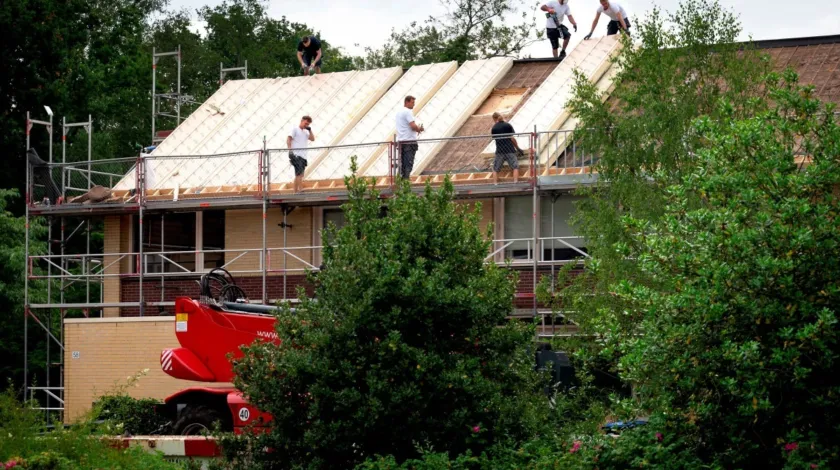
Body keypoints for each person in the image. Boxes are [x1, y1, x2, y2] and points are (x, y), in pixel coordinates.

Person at [490, 112, 526, 185]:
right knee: (515, 167)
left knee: (495, 168)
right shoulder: (508, 125)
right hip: (510, 150)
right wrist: (518, 148)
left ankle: (495, 183)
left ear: (494, 119)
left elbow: (495, 139)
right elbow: (512, 138)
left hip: (500, 151)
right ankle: (515, 182)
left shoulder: (494, 128)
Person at [395, 95, 424, 179]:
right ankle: (405, 181)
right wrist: (419, 129)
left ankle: (401, 180)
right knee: (408, 163)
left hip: (401, 141)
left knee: (402, 164)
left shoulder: (399, 112)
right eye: (412, 103)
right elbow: (413, 126)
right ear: (407, 102)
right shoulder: (408, 112)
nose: (413, 105)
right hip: (409, 141)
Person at [287, 116, 315, 193]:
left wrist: (310, 130)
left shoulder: (306, 132)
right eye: (305, 123)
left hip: (303, 155)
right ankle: (300, 189)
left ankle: (295, 191)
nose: (306, 125)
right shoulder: (295, 129)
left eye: (308, 124)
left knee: (300, 174)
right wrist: (290, 150)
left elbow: (312, 139)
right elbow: (289, 139)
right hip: (296, 154)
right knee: (299, 173)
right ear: (302, 121)